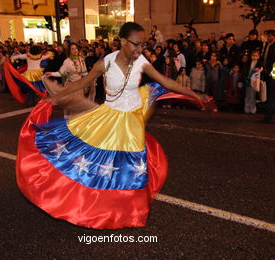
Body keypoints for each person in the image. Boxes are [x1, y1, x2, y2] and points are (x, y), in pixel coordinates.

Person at [16, 22, 204, 230]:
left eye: (143, 45)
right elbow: (81, 83)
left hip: (131, 121)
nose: (140, 49)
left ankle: (131, 212)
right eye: (136, 44)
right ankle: (95, 205)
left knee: (132, 168)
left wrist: (193, 93)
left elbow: (166, 82)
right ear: (123, 41)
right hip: (108, 116)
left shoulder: (141, 61)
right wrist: (55, 98)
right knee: (97, 161)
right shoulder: (105, 62)